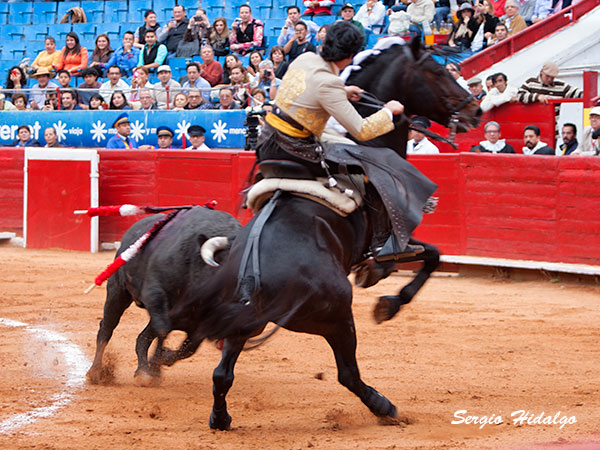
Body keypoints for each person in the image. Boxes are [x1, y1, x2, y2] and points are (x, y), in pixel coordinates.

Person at [258, 21, 424, 267]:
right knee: (376, 166)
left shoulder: (305, 59)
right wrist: (389, 112)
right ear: (351, 55)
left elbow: (309, 91)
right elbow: (362, 129)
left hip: (267, 141)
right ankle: (381, 244)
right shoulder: (330, 83)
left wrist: (343, 91)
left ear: (324, 43)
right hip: (295, 149)